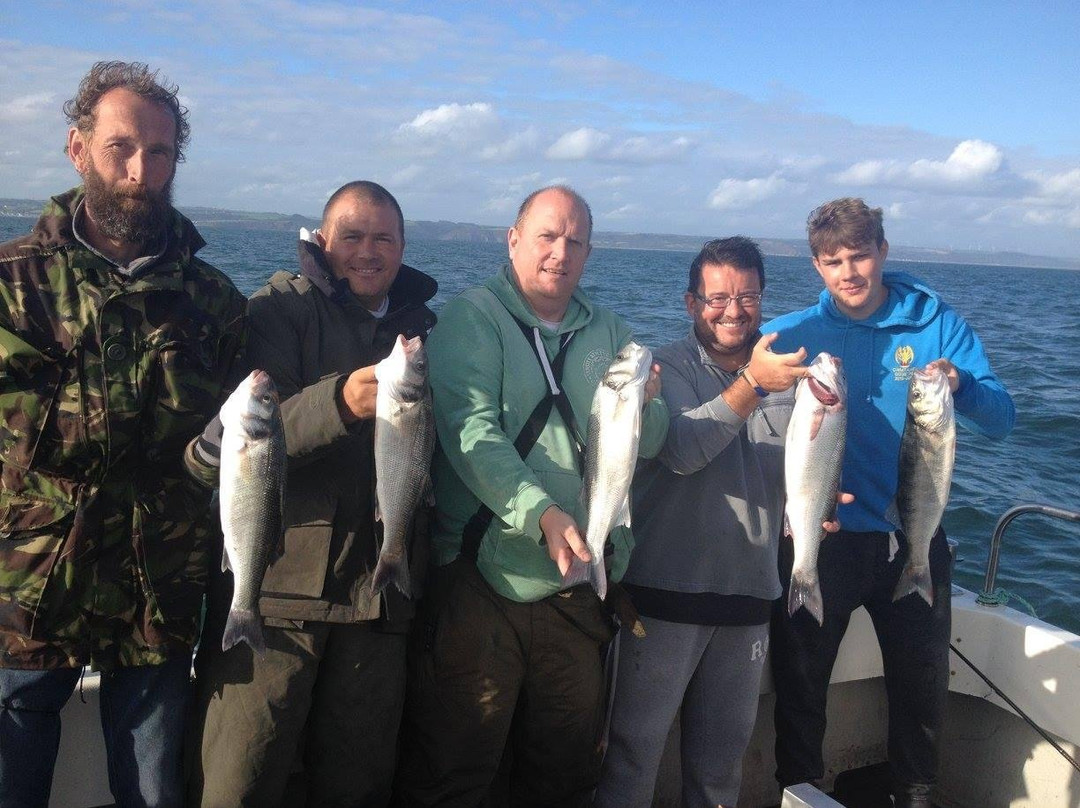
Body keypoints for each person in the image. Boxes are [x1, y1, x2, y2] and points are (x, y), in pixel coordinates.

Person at [0, 61, 246, 807]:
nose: (140, 172)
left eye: (161, 153)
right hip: (30, 587)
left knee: (153, 789)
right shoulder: (12, 283)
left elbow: (245, 446)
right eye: (121, 148)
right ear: (79, 149)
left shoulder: (214, 303)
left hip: (159, 592)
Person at [395, 185, 668, 807]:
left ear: (590, 252)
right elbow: (470, 434)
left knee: (563, 773)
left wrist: (647, 408)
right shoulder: (474, 316)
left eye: (575, 241)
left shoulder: (612, 331)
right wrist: (539, 512)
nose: (560, 252)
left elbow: (650, 444)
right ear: (513, 239)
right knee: (456, 765)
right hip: (485, 582)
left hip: (580, 588)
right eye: (547, 235)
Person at [184, 181, 437, 807]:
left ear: (404, 248)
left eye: (384, 238)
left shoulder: (420, 327)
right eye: (352, 236)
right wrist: (340, 402)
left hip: (377, 601)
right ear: (323, 242)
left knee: (358, 782)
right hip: (278, 594)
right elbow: (259, 430)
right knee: (241, 778)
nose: (368, 252)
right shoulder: (277, 309)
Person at [764, 198, 1015, 808]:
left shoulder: (936, 323)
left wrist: (962, 384)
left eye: (859, 255)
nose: (849, 272)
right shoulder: (795, 333)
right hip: (824, 539)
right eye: (833, 261)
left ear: (882, 250)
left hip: (914, 536)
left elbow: (1003, 418)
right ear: (816, 266)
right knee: (800, 686)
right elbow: (742, 395)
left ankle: (916, 796)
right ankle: (799, 793)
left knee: (923, 689)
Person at [595, 237, 846, 808]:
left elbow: (791, 467)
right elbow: (683, 450)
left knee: (719, 774)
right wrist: (754, 383)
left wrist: (818, 499)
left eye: (748, 296)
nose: (734, 310)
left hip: (749, 602)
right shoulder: (661, 370)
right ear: (690, 303)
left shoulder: (796, 377)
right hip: (661, 599)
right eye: (718, 298)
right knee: (631, 758)